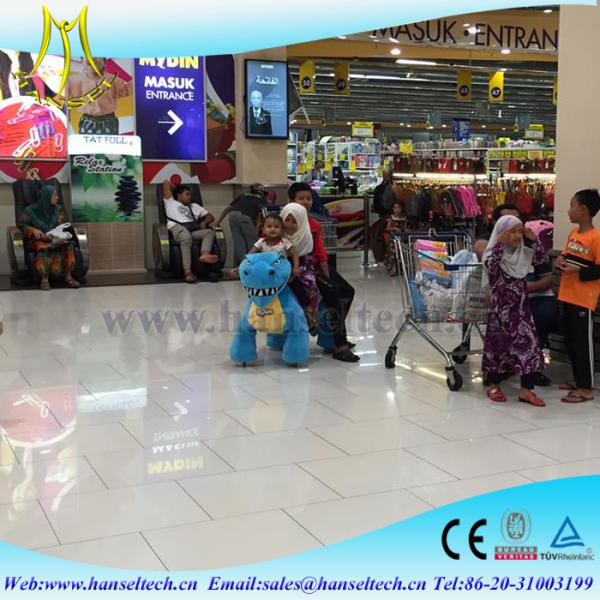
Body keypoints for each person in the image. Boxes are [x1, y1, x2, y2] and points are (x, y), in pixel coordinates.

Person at [288, 182, 359, 362]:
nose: (306, 202)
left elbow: (320, 253)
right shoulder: (286, 222)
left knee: (346, 291)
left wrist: (327, 277)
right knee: (333, 295)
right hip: (293, 269)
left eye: (309, 198)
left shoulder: (314, 224)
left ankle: (330, 335)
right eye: (301, 198)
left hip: (314, 267)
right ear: (290, 201)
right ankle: (339, 345)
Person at [482, 215, 548, 407]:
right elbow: (491, 268)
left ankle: (526, 390)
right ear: (501, 233)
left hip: (521, 311)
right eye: (512, 232)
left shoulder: (523, 254)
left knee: (529, 347)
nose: (517, 236)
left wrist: (534, 241)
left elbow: (542, 259)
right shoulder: (492, 254)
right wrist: (499, 244)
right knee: (498, 349)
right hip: (501, 315)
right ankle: (494, 386)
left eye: (520, 231)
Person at [556, 189, 600, 403]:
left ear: (583, 210)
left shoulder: (596, 238)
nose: (569, 210)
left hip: (583, 298)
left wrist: (579, 271)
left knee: (582, 343)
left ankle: (586, 388)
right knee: (571, 340)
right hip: (567, 294)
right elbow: (566, 254)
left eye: (572, 206)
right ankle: (577, 378)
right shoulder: (573, 233)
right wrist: (560, 260)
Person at [21, 186, 80, 291]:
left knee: (68, 245)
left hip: (55, 238)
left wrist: (57, 233)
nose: (57, 197)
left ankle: (69, 277)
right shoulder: (30, 211)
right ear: (46, 197)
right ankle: (44, 279)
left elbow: (63, 225)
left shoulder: (58, 209)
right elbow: (22, 225)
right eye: (55, 195)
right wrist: (33, 230)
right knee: (43, 248)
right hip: (40, 239)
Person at [162, 180, 218, 284]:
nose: (190, 197)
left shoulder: (195, 206)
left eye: (190, 195)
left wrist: (204, 222)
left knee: (209, 232)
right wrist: (177, 189)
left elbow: (211, 217)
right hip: (177, 227)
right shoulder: (171, 202)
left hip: (192, 230)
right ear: (179, 195)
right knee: (186, 237)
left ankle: (205, 254)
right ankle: (187, 272)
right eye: (187, 194)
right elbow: (166, 182)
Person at [280, 204, 320, 331]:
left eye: (294, 221)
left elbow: (309, 256)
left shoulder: (306, 236)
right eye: (286, 220)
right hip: (283, 268)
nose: (289, 225)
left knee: (310, 285)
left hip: (303, 266)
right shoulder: (278, 236)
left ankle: (309, 315)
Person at [69, 57, 132, 134]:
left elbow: (127, 89)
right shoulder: (74, 81)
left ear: (104, 60)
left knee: (109, 142)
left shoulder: (113, 80)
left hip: (109, 122)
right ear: (82, 60)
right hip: (87, 122)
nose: (92, 59)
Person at [215, 184, 265, 267]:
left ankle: (243, 266)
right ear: (261, 191)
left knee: (239, 243)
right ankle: (252, 266)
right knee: (252, 243)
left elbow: (228, 208)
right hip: (245, 217)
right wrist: (256, 229)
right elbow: (259, 215)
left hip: (232, 215)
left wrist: (218, 221)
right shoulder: (262, 198)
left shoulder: (243, 195)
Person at [384, 201, 406, 276]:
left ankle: (401, 270)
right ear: (393, 209)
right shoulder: (391, 218)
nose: (397, 209)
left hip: (402, 239)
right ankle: (393, 270)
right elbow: (387, 228)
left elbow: (405, 227)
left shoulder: (404, 218)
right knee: (393, 254)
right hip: (393, 240)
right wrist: (394, 228)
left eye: (399, 208)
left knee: (401, 254)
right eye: (395, 208)